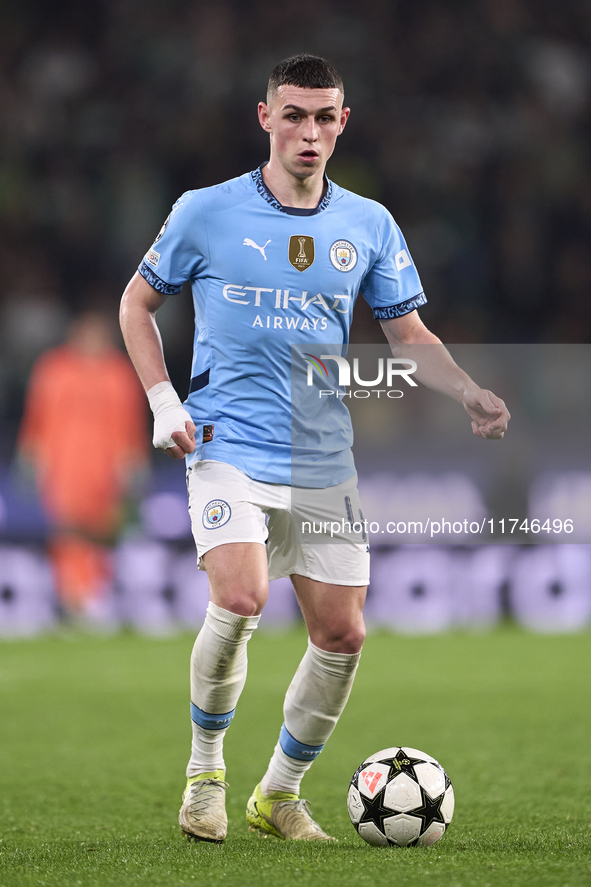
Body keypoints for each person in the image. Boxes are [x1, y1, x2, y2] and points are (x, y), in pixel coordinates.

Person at [119, 54, 510, 843]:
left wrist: (466, 387)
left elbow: (408, 334)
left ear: (343, 123)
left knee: (342, 634)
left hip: (323, 455)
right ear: (264, 117)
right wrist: (163, 402)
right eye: (293, 114)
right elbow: (135, 304)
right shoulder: (204, 210)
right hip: (226, 441)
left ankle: (278, 793)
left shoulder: (367, 223)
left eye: (323, 116)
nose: (308, 131)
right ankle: (205, 775)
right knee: (239, 598)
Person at [18, 310, 148, 622]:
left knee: (102, 533)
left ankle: (93, 598)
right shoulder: (54, 369)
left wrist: (134, 463)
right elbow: (37, 419)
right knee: (67, 534)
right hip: (64, 467)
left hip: (105, 470)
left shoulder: (119, 372)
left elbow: (131, 425)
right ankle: (73, 599)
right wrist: (30, 457)